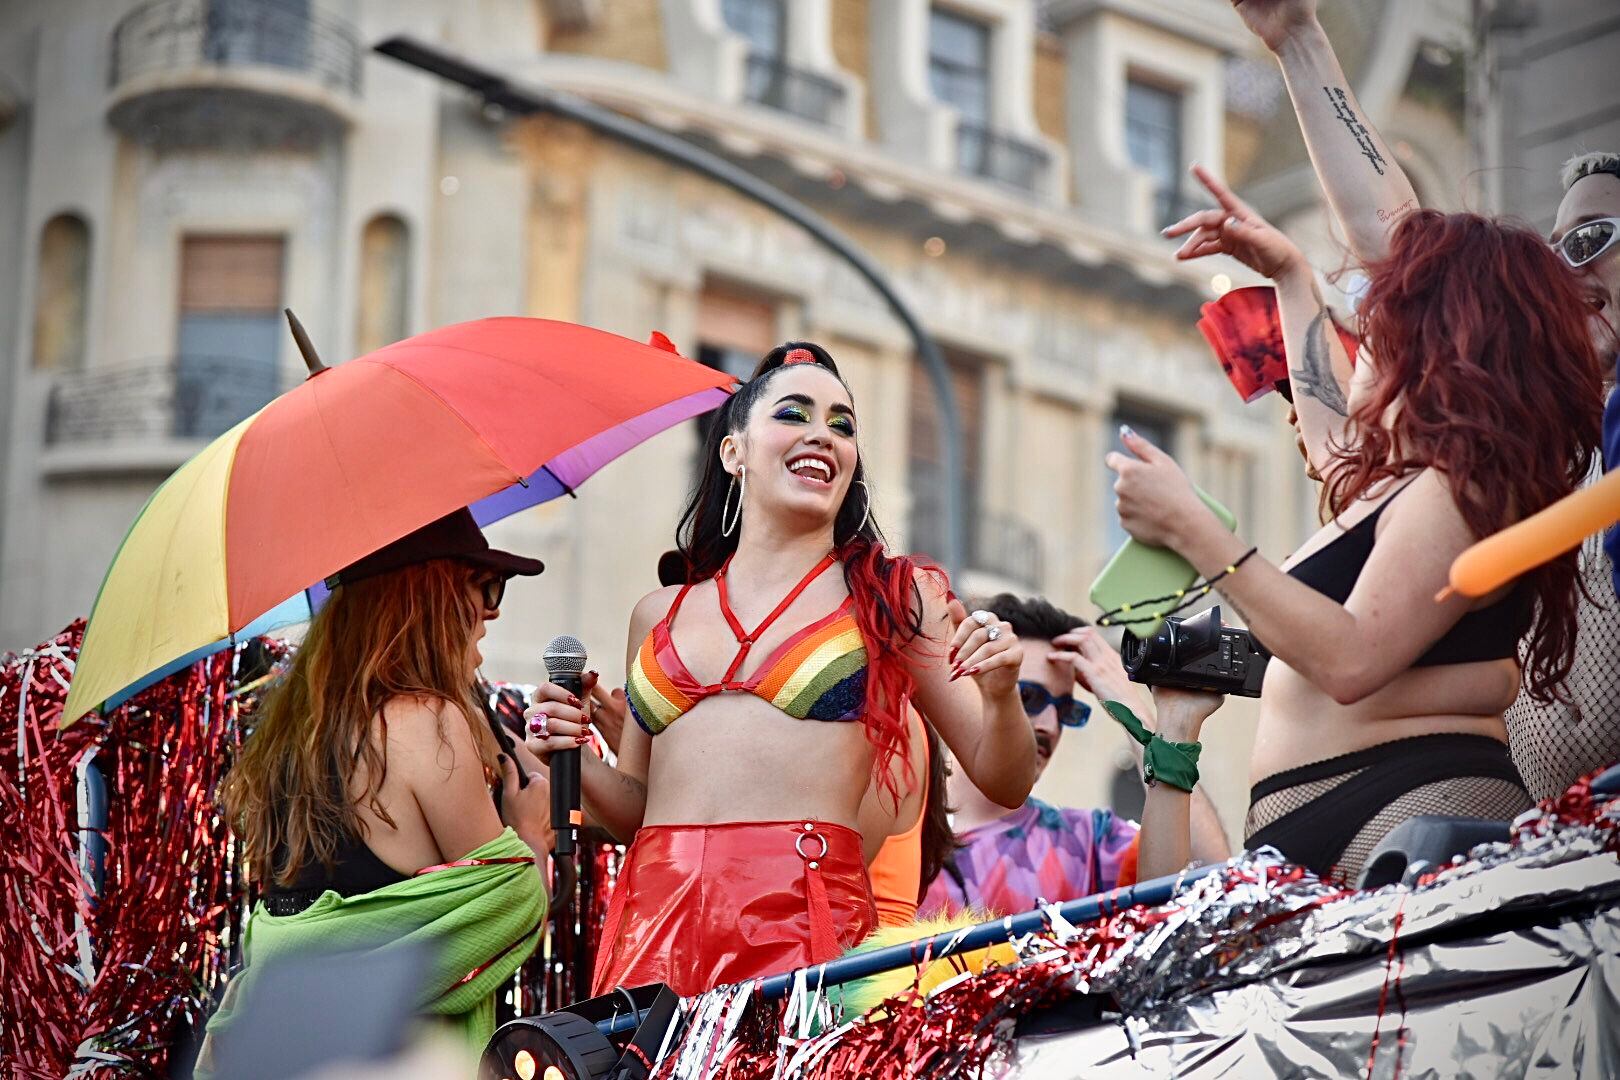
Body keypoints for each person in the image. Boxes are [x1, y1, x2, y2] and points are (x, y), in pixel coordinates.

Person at [1113, 168, 1603, 885]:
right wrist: (1287, 275)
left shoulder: (1466, 486)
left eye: (1384, 309)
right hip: (1342, 816)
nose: (1364, 327)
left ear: (1439, 338)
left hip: (1411, 801)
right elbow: (1326, 429)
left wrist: (1195, 531)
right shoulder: (1396, 480)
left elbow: (1352, 660)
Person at [523, 343, 1038, 996]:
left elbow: (1004, 777)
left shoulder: (894, 595)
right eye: (794, 414)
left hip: (803, 934)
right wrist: (573, 758)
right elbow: (644, 811)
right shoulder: (657, 613)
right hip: (651, 936)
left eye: (842, 423)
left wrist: (1000, 698)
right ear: (733, 452)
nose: (823, 434)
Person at [1226, 0, 1620, 800]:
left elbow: (1354, 659)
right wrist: (1297, 41)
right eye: (1550, 257)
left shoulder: (1494, 476)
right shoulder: (1517, 447)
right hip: (1528, 840)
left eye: (1589, 242)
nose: (1566, 276)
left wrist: (1210, 545)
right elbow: (1402, 248)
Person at [199, 509, 552, 1071]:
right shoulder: (430, 721)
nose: (490, 615)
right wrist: (531, 836)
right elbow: (509, 906)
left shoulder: (295, 733)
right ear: (430, 596)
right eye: (483, 588)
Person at [919, 595, 1229, 919]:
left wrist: (1133, 708)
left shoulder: (1089, 842)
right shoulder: (896, 828)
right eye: (1027, 696)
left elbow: (1214, 881)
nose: (1050, 726)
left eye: (1065, 709)